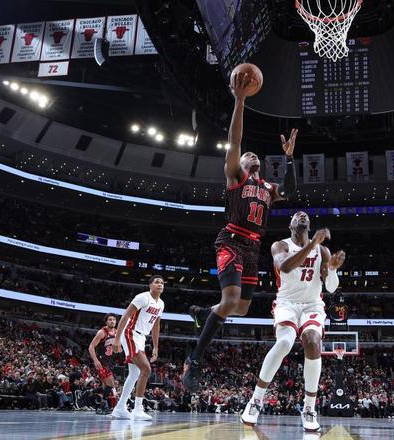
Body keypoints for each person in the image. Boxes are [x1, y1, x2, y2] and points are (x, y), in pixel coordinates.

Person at [182, 69, 298, 392]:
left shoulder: (268, 187)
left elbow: (290, 190)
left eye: (254, 154)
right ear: (241, 163)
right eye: (248, 155)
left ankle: (203, 313)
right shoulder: (236, 176)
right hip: (232, 240)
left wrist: (289, 159)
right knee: (231, 299)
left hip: (253, 247)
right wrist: (240, 100)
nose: (251, 155)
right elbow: (235, 140)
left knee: (243, 308)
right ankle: (194, 360)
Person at [240, 211, 345, 432]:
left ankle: (309, 408)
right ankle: (256, 400)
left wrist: (333, 269)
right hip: (286, 303)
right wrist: (312, 243)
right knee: (284, 343)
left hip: (312, 305)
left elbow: (331, 288)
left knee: (313, 341)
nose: (302, 217)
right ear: (290, 225)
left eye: (305, 216)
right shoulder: (280, 245)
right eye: (297, 216)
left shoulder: (322, 251)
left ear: (310, 225)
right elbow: (285, 267)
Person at [111, 275, 164, 420]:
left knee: (134, 373)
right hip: (130, 333)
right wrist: (117, 338)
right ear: (150, 285)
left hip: (141, 337)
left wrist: (155, 347)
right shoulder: (142, 297)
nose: (160, 284)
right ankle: (138, 409)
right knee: (146, 369)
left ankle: (120, 408)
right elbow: (126, 315)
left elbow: (156, 325)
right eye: (157, 282)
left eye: (162, 283)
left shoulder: (161, 304)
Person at [88, 313, 119, 414]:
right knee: (111, 384)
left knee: (106, 386)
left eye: (114, 320)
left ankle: (96, 400)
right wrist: (95, 360)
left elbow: (117, 348)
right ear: (106, 321)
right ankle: (102, 405)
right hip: (101, 362)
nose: (112, 321)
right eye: (110, 319)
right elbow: (91, 347)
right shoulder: (102, 332)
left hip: (110, 362)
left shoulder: (117, 332)